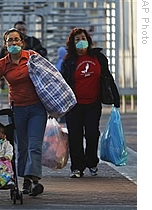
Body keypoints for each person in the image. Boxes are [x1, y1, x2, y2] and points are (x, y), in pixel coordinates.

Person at [0, 28, 47, 196]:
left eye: (16, 40)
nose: (14, 43)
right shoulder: (3, 64)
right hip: (18, 109)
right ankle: (25, 180)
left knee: (35, 145)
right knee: (22, 147)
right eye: (10, 41)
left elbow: (48, 77)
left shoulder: (32, 57)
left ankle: (35, 180)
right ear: (5, 44)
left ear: (22, 42)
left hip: (37, 108)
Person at [60, 27, 120, 178]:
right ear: (72, 43)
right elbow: (63, 82)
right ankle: (77, 167)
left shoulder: (98, 57)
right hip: (74, 105)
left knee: (92, 134)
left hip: (93, 103)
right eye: (77, 40)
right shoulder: (69, 61)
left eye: (83, 38)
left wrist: (115, 97)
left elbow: (107, 78)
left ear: (88, 40)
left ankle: (92, 162)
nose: (81, 42)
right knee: (75, 136)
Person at [0, 20, 48, 90]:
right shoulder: (8, 44)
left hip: (32, 77)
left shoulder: (33, 41)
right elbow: (1, 62)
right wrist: (1, 80)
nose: (21, 31)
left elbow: (43, 53)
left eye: (23, 29)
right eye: (19, 29)